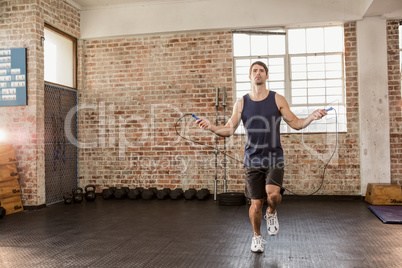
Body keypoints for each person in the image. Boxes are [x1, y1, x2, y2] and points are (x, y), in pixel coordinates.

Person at [195, 61, 327, 253]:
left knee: (273, 195)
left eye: (261, 71)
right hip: (252, 159)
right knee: (256, 203)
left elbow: (296, 123)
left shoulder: (277, 99)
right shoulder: (241, 103)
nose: (258, 73)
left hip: (274, 157)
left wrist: (311, 117)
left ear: (267, 76)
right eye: (254, 71)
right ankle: (257, 236)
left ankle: (272, 212)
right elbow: (229, 129)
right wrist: (212, 126)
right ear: (250, 77)